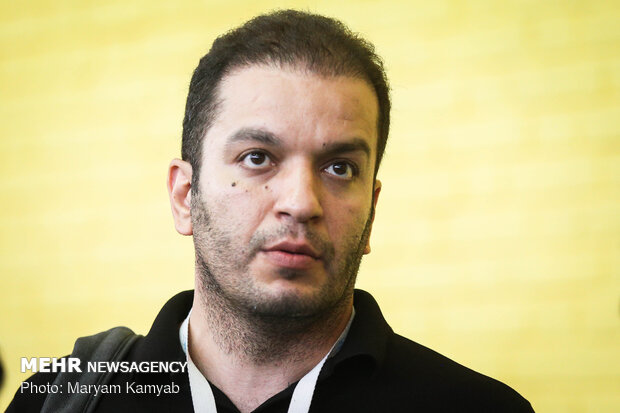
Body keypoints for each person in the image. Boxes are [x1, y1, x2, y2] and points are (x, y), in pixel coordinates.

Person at [8, 10, 534, 413]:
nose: (301, 203)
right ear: (183, 195)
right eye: (257, 158)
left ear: (372, 210)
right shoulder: (60, 401)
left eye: (340, 168)